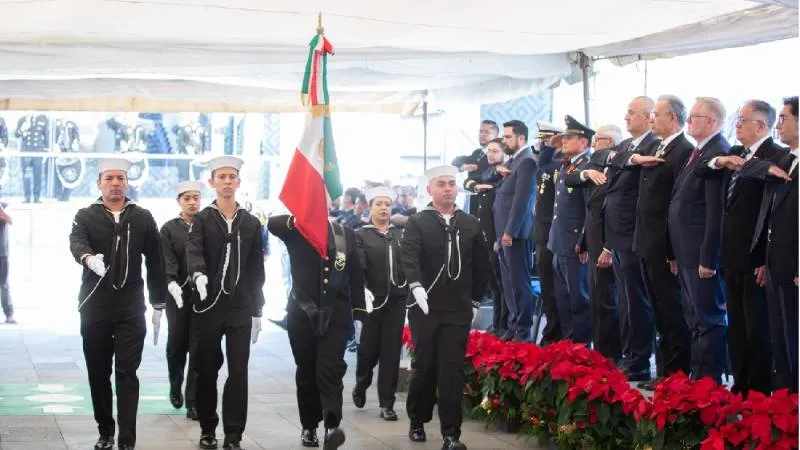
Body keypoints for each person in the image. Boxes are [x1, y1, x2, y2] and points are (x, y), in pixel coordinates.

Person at [69, 158, 166, 450]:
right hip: (95, 306)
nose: (115, 183)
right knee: (98, 371)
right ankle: (105, 430)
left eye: (120, 178)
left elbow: (156, 261)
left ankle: (127, 439)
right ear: (99, 183)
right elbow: (76, 243)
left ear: (127, 182)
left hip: (130, 307)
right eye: (109, 178)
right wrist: (88, 258)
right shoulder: (85, 215)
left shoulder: (143, 217)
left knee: (127, 372)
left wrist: (158, 302)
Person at [401, 165, 490, 450]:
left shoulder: (470, 223)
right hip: (425, 307)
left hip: (458, 308)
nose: (448, 188)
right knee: (424, 366)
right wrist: (415, 286)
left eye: (452, 183)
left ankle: (451, 434)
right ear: (430, 189)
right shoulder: (418, 222)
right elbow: (409, 258)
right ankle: (418, 419)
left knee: (451, 370)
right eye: (442, 184)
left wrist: (476, 300)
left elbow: (481, 266)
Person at [267, 211, 367, 449]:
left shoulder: (345, 234)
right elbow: (272, 223)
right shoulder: (295, 230)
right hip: (302, 314)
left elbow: (355, 277)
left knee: (329, 369)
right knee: (307, 370)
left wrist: (360, 312)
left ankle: (332, 425)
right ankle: (309, 425)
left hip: (337, 315)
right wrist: (298, 216)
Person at [186, 156, 266, 450]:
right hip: (208, 306)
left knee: (238, 371)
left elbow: (257, 268)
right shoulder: (203, 219)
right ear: (212, 182)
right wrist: (198, 275)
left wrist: (258, 308)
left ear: (239, 182)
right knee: (206, 369)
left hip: (240, 307)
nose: (227, 182)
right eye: (221, 177)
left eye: (232, 177)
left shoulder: (251, 222)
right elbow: (193, 251)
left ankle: (234, 434)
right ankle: (208, 427)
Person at [738, 96, 798, 392]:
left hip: (794, 266)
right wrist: (768, 170)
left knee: (795, 341)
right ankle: (785, 408)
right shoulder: (786, 159)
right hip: (775, 263)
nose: (778, 126)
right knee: (781, 340)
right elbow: (747, 167)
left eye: (785, 118)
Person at [352, 185, 408, 421]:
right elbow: (359, 267)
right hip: (372, 301)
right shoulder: (361, 234)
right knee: (368, 350)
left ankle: (387, 402)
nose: (384, 208)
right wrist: (362, 291)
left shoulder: (399, 234)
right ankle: (361, 382)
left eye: (387, 204)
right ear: (370, 207)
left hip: (396, 301)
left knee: (391, 352)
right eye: (379, 204)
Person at [160, 180, 204, 420]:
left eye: (196, 197)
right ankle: (175, 384)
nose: (192, 202)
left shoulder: (207, 225)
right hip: (176, 292)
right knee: (177, 342)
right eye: (187, 198)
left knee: (198, 347)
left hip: (203, 294)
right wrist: (170, 281)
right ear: (179, 201)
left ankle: (193, 401)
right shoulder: (168, 228)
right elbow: (166, 258)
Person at [493, 120, 537, 342]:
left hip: (516, 235)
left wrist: (510, 231)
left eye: (508, 136)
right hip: (504, 234)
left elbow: (522, 201)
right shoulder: (514, 161)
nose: (504, 140)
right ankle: (513, 325)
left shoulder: (527, 161)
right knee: (508, 283)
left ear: (521, 138)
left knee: (519, 283)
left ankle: (523, 330)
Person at [0, 200, 14, 324]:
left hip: (1, 253)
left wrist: (1, 211)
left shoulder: (4, 206)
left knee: (4, 284)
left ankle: (9, 313)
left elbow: (11, 220)